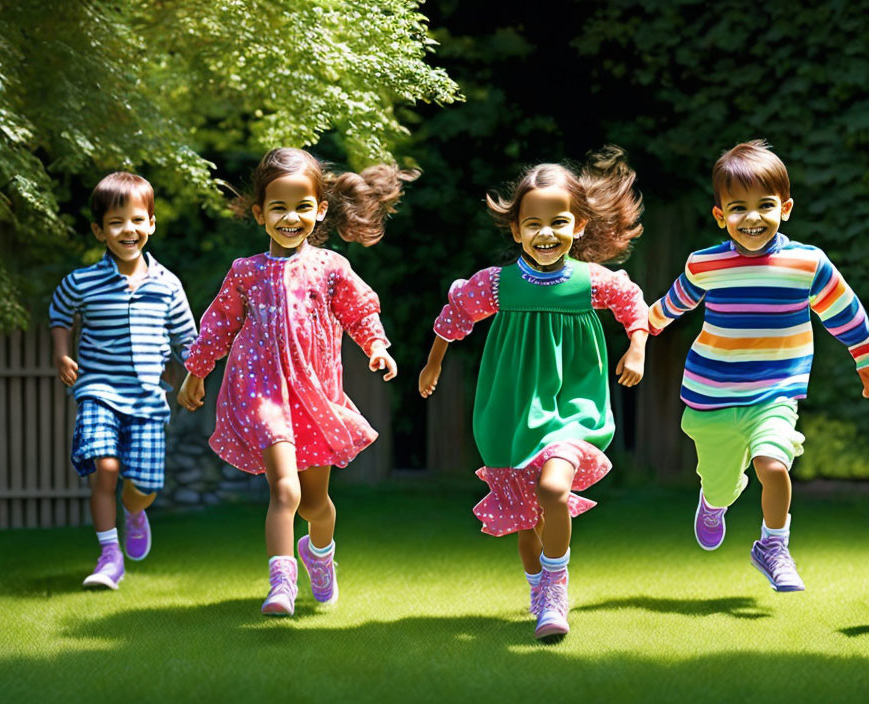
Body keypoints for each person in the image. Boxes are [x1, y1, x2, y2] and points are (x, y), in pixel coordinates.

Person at [419, 147, 648, 642]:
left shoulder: (591, 282)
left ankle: (555, 588)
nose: (546, 233)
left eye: (559, 221)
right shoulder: (497, 285)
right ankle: (538, 585)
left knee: (553, 490)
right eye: (533, 223)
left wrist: (637, 348)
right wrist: (433, 363)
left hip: (574, 408)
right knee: (527, 523)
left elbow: (633, 304)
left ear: (580, 226)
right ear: (517, 229)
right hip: (511, 413)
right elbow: (454, 317)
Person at [179, 147, 414, 616]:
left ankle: (319, 555)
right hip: (260, 392)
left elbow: (359, 311)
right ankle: (281, 585)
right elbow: (218, 325)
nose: (291, 217)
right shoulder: (245, 272)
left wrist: (377, 347)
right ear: (259, 213)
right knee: (284, 491)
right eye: (278, 208)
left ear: (320, 210)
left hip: (313, 395)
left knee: (314, 505)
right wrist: (196, 372)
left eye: (302, 207)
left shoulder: (330, 267)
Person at [649, 139, 869, 592]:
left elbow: (847, 316)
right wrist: (641, 325)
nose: (752, 218)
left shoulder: (807, 264)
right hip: (711, 396)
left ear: (785, 208)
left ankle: (772, 545)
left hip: (774, 394)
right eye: (738, 208)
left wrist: (866, 361)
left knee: (773, 465)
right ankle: (714, 501)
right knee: (722, 481)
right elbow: (671, 306)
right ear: (720, 215)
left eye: (765, 206)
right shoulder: (705, 265)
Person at [50, 172, 197, 590]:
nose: (127, 230)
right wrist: (62, 353)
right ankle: (109, 555)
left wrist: (194, 378)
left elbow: (187, 338)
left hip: (150, 398)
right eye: (116, 222)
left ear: (151, 223)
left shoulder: (168, 285)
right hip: (98, 390)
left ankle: (135, 512)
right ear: (99, 230)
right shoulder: (82, 282)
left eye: (136, 220)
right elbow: (60, 314)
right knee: (106, 468)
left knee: (145, 485)